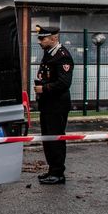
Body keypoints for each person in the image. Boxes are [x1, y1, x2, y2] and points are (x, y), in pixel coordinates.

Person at [34, 25, 75, 185]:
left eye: (43, 38)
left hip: (57, 105)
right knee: (48, 138)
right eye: (39, 38)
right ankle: (52, 170)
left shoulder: (62, 56)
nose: (39, 41)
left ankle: (58, 173)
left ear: (54, 38)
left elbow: (64, 83)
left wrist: (44, 88)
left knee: (56, 138)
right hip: (47, 103)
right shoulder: (49, 53)